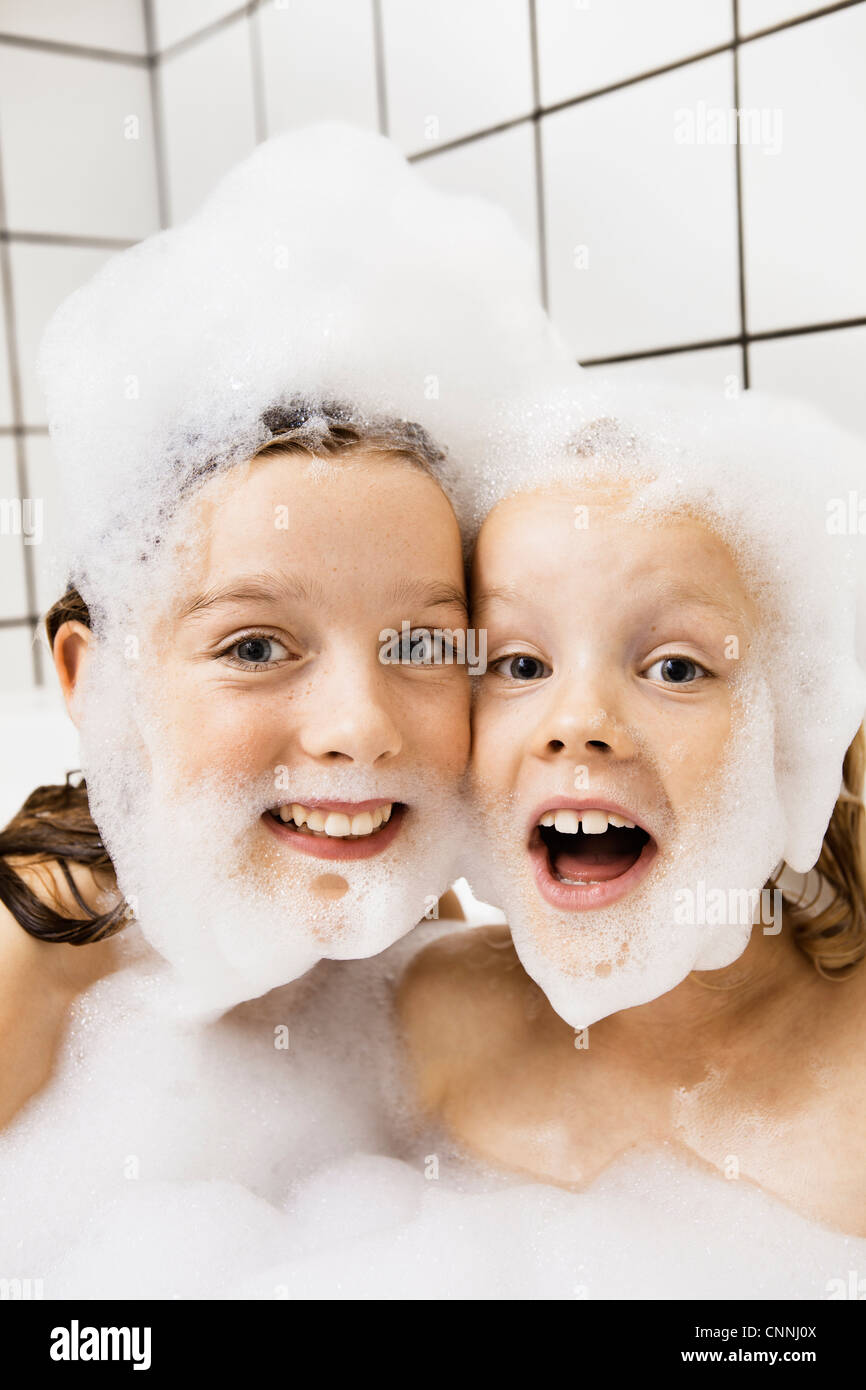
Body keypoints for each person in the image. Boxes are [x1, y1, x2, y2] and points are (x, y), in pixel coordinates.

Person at [398, 399, 866, 1236]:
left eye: (676, 668)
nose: (576, 719)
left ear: (798, 739)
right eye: (519, 662)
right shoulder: (416, 1027)